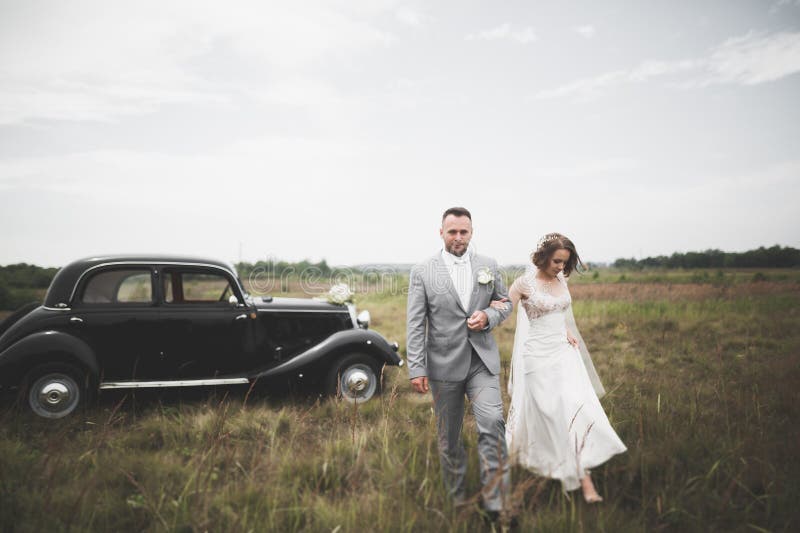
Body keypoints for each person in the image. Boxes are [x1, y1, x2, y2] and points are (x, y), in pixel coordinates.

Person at [498, 232, 627, 503]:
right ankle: (552, 469)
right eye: (557, 261)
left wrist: (567, 329)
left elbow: (560, 311)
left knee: (574, 410)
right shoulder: (524, 283)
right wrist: (481, 312)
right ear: (543, 257)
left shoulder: (561, 279)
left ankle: (583, 477)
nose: (560, 267)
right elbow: (502, 310)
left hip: (565, 355)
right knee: (550, 414)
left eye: (565, 263)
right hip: (536, 358)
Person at [406, 207, 513, 517]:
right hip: (443, 365)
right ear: (441, 232)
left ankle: (496, 505)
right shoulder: (422, 271)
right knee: (449, 439)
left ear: (471, 232)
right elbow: (415, 322)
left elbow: (504, 304)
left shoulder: (489, 265)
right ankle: (458, 503)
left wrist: (489, 316)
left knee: (492, 423)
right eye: (452, 231)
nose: (458, 237)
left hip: (482, 360)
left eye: (463, 231)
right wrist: (417, 366)